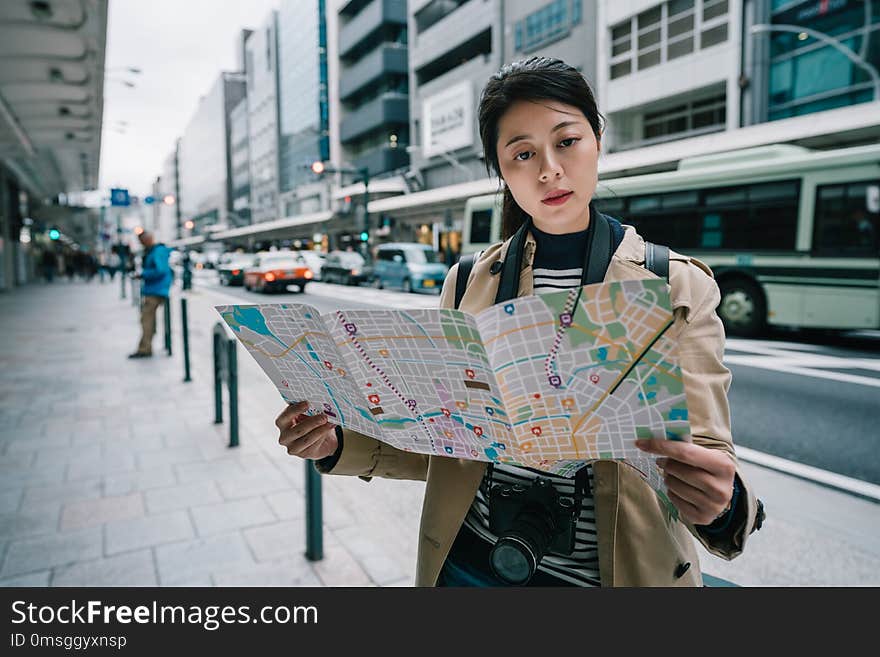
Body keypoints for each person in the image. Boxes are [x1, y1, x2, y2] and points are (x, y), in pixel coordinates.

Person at [275, 57, 763, 587]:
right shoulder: (466, 283)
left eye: (567, 141)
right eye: (523, 154)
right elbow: (444, 443)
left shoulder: (675, 285)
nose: (549, 169)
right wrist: (337, 443)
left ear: (598, 138)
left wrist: (727, 501)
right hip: (468, 565)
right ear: (503, 171)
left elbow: (710, 459)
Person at [128, 231, 172, 359]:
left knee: (146, 320)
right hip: (156, 289)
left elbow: (160, 270)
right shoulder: (155, 250)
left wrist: (143, 274)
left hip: (156, 290)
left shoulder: (157, 251)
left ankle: (145, 348)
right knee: (148, 320)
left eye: (142, 241)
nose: (141, 244)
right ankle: (146, 346)